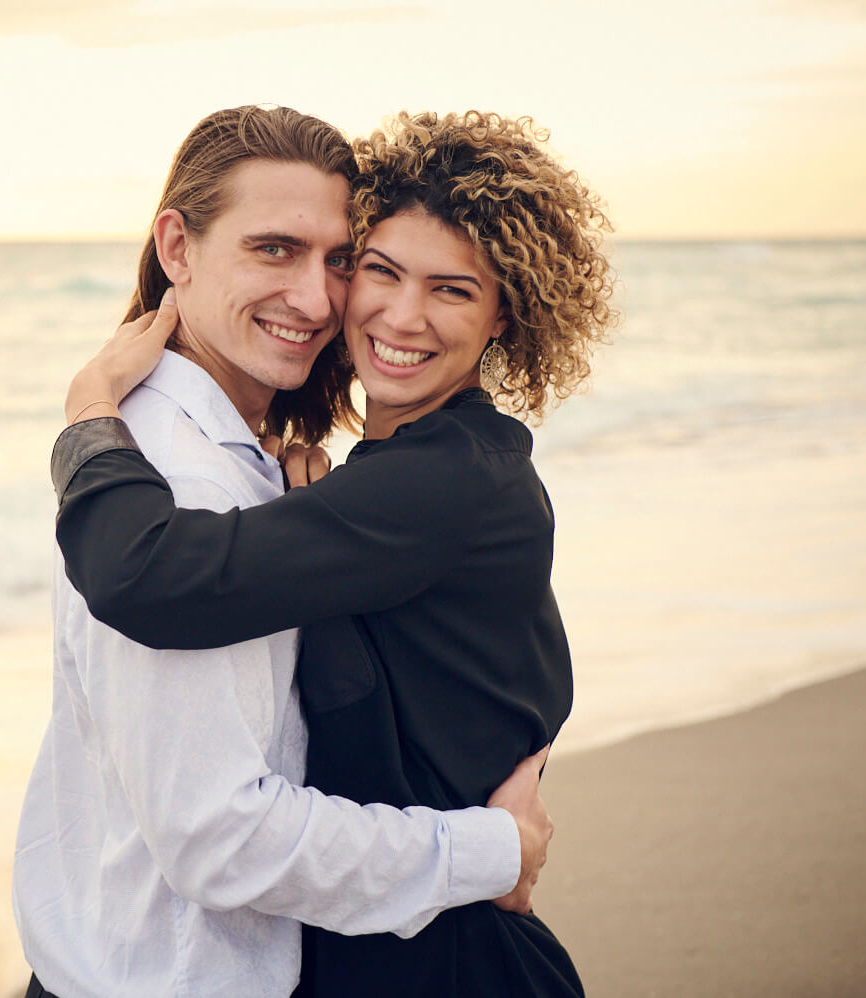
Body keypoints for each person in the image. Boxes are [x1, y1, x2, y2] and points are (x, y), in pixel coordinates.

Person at [49, 110, 616, 995]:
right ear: (178, 246)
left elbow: (146, 574)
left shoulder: (440, 482)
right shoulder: (331, 489)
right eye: (378, 269)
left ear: (509, 315)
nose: (389, 311)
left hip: (448, 966)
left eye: (454, 289)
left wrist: (88, 416)